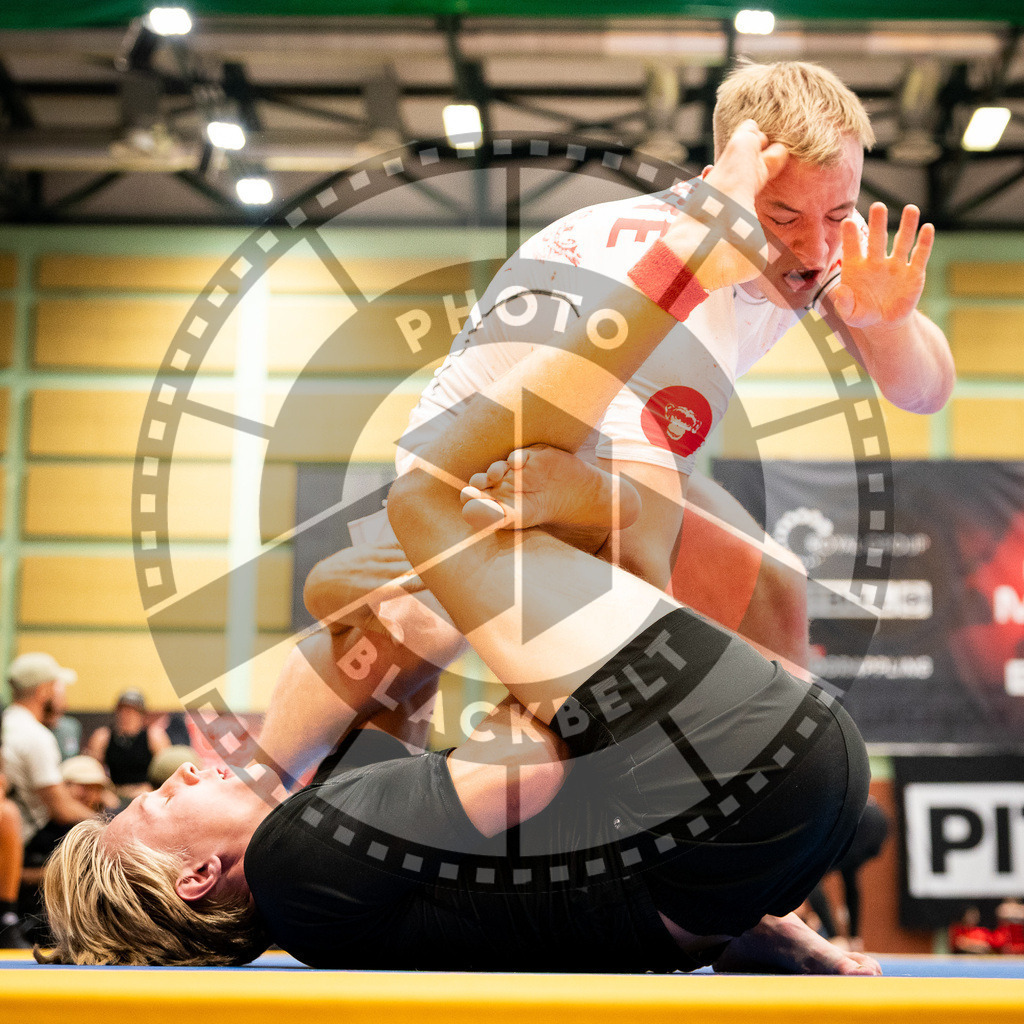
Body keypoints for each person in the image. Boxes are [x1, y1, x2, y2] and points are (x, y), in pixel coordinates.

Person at [40, 125, 883, 974]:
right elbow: (526, 775)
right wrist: (497, 643)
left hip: (764, 833)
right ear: (194, 879)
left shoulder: (336, 909)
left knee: (443, 594)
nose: (173, 779)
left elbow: (515, 847)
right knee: (430, 495)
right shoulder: (292, 859)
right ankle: (686, 262)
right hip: (750, 786)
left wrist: (747, 926)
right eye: (152, 808)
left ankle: (581, 521)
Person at [307, 59, 953, 676]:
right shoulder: (679, 296)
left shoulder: (807, 251)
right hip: (473, 454)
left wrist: (885, 324)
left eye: (838, 215)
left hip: (584, 432)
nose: (816, 250)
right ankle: (413, 589)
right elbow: (639, 569)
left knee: (772, 585)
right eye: (783, 217)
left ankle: (787, 775)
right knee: (589, 619)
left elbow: (927, 391)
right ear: (724, 184)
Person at [1, 653, 98, 943]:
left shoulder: (9, 723)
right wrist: (109, 820)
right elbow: (61, 810)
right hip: (27, 835)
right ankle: (86, 932)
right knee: (95, 838)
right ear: (44, 690)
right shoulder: (35, 736)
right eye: (59, 688)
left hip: (20, 828)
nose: (62, 696)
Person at [85, 689, 171, 800]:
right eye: (122, 710)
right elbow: (92, 770)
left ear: (141, 714)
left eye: (131, 711)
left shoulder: (154, 736)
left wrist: (151, 789)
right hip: (114, 793)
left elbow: (166, 771)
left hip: (146, 793)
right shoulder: (103, 736)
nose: (125, 715)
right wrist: (104, 790)